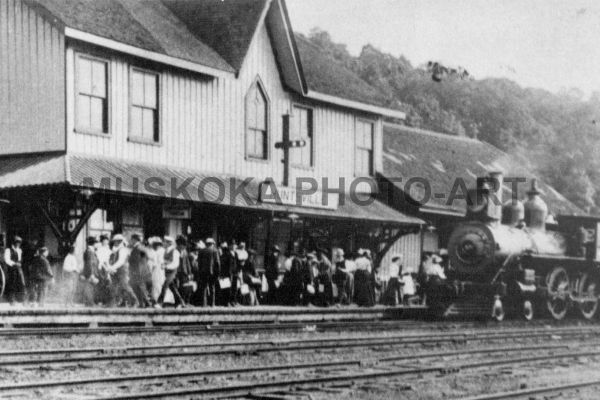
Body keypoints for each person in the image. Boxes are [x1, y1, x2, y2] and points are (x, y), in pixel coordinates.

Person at [108, 234, 138, 307]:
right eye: (114, 241)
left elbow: (121, 261)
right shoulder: (116, 250)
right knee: (115, 286)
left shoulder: (123, 250)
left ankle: (135, 301)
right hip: (116, 270)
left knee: (125, 286)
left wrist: (112, 267)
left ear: (120, 241)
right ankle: (120, 302)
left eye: (116, 241)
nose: (115, 243)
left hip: (122, 270)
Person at [156, 236, 185, 308]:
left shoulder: (175, 252)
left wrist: (166, 266)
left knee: (165, 286)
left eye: (165, 242)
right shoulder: (165, 251)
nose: (163, 243)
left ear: (169, 244)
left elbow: (175, 264)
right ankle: (180, 302)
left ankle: (160, 303)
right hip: (167, 272)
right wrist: (163, 264)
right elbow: (165, 261)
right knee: (173, 287)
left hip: (173, 272)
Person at [128, 234, 152, 308]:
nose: (130, 241)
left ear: (135, 240)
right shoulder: (139, 247)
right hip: (138, 270)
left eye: (131, 239)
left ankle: (147, 303)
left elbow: (142, 259)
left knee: (140, 286)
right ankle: (143, 303)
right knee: (137, 286)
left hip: (138, 270)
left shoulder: (139, 248)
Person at [196, 238, 220, 307]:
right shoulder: (215, 251)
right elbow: (217, 263)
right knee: (212, 287)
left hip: (203, 272)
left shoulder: (201, 251)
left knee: (204, 287)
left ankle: (204, 303)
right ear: (212, 244)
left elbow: (199, 263)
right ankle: (212, 304)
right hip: (212, 273)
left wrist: (200, 271)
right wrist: (217, 273)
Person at [4, 236, 25, 305]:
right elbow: (7, 260)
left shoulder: (19, 250)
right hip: (11, 269)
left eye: (19, 243)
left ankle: (20, 299)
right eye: (17, 242)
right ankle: (11, 300)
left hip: (18, 269)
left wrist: (19, 263)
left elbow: (20, 259)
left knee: (21, 283)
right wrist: (14, 263)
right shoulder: (8, 250)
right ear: (13, 243)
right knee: (12, 284)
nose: (18, 244)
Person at [81, 236, 100, 307]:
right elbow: (90, 263)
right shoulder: (89, 252)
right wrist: (91, 274)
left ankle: (89, 303)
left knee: (90, 288)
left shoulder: (90, 251)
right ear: (94, 243)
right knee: (89, 288)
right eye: (96, 243)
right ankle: (90, 303)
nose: (97, 244)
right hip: (90, 273)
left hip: (90, 272)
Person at [176, 235, 194, 306]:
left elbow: (187, 263)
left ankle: (185, 302)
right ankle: (178, 303)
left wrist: (190, 273)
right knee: (177, 287)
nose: (183, 246)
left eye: (183, 245)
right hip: (177, 272)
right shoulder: (175, 250)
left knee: (184, 288)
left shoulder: (185, 252)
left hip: (184, 272)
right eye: (181, 244)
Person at [217, 241, 236, 306]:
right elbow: (231, 266)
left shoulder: (223, 256)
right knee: (228, 288)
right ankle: (227, 302)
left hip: (225, 274)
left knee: (225, 288)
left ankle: (225, 302)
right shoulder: (230, 255)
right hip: (229, 274)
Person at [95, 235, 112, 305]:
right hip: (101, 268)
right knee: (101, 284)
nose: (105, 242)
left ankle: (106, 300)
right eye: (104, 241)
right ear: (102, 242)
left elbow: (108, 260)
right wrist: (106, 268)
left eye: (106, 241)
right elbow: (100, 261)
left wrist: (109, 268)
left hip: (108, 268)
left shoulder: (108, 250)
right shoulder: (99, 250)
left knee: (107, 284)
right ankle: (99, 300)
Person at [147, 237, 165, 303]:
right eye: (155, 244)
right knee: (155, 285)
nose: (156, 245)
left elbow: (160, 262)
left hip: (159, 270)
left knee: (158, 284)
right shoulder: (153, 251)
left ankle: (156, 300)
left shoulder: (161, 251)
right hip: (155, 269)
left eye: (157, 244)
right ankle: (154, 299)